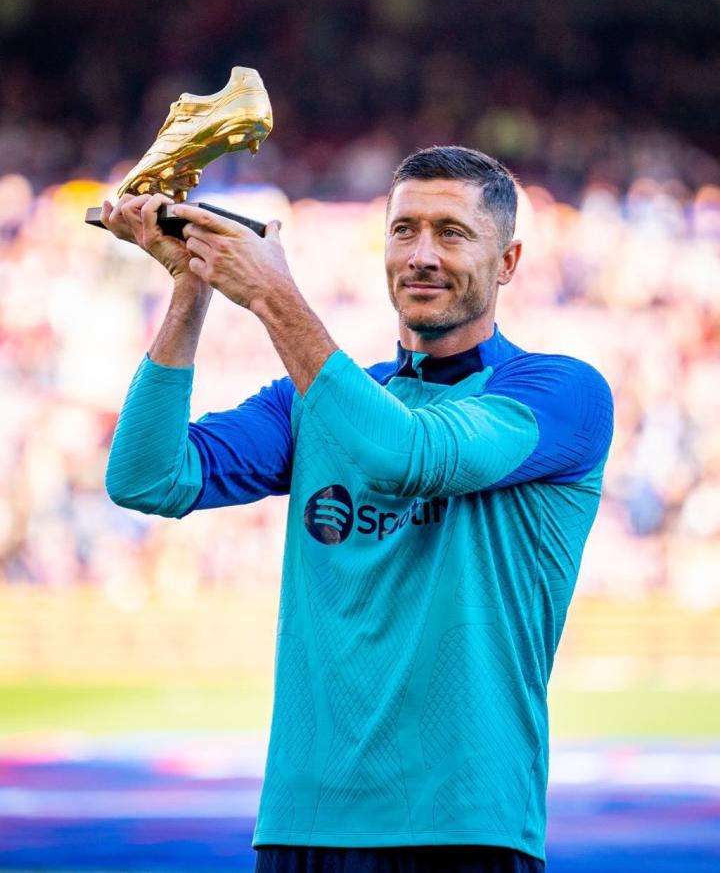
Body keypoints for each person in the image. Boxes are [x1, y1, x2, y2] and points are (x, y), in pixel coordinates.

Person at [103, 146, 613, 873]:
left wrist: (273, 295)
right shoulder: (313, 400)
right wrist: (193, 288)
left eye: (452, 233)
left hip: (463, 828)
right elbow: (147, 477)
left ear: (507, 262)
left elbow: (407, 455)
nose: (422, 255)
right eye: (404, 230)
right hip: (302, 821)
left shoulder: (561, 392)